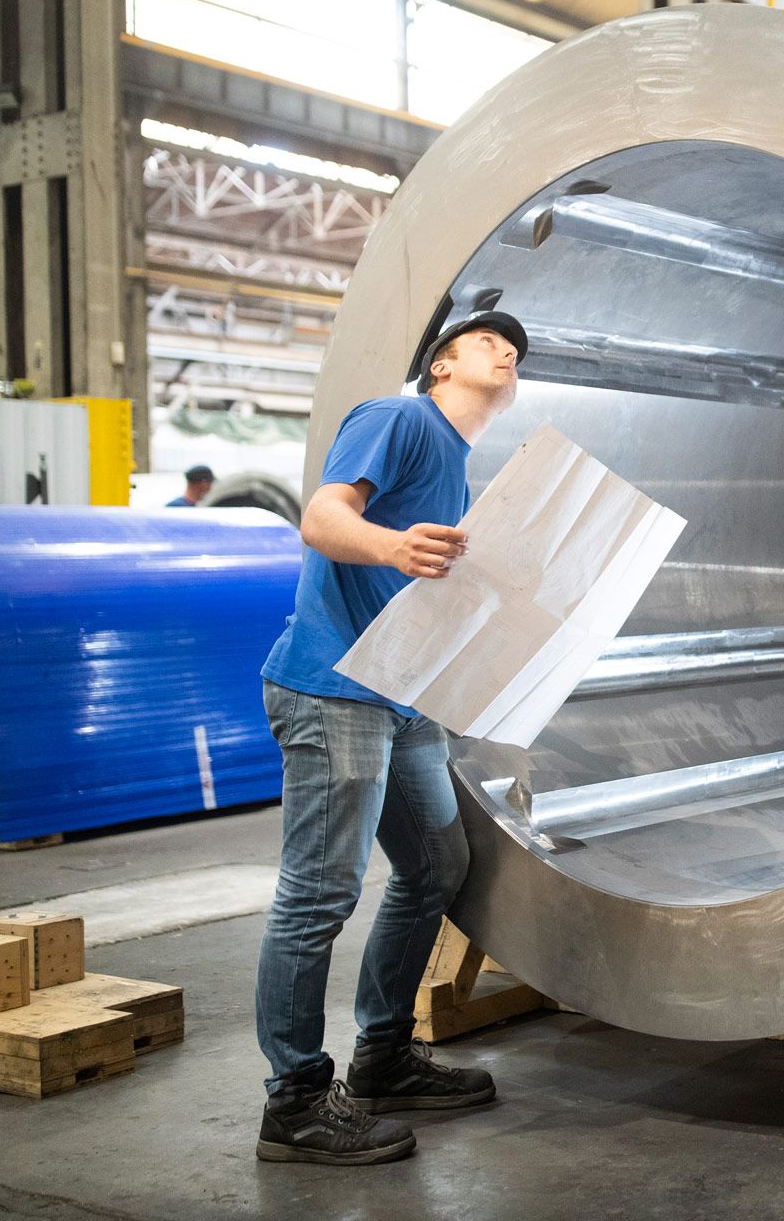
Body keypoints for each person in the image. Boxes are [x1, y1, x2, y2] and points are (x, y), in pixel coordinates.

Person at [253, 311, 528, 1166]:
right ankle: (294, 1101)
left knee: (438, 865)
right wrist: (392, 547)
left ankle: (382, 1057)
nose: (506, 350)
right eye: (487, 340)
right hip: (333, 688)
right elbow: (323, 519)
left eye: (514, 351)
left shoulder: (460, 464)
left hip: (399, 695)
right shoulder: (399, 418)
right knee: (320, 892)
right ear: (441, 365)